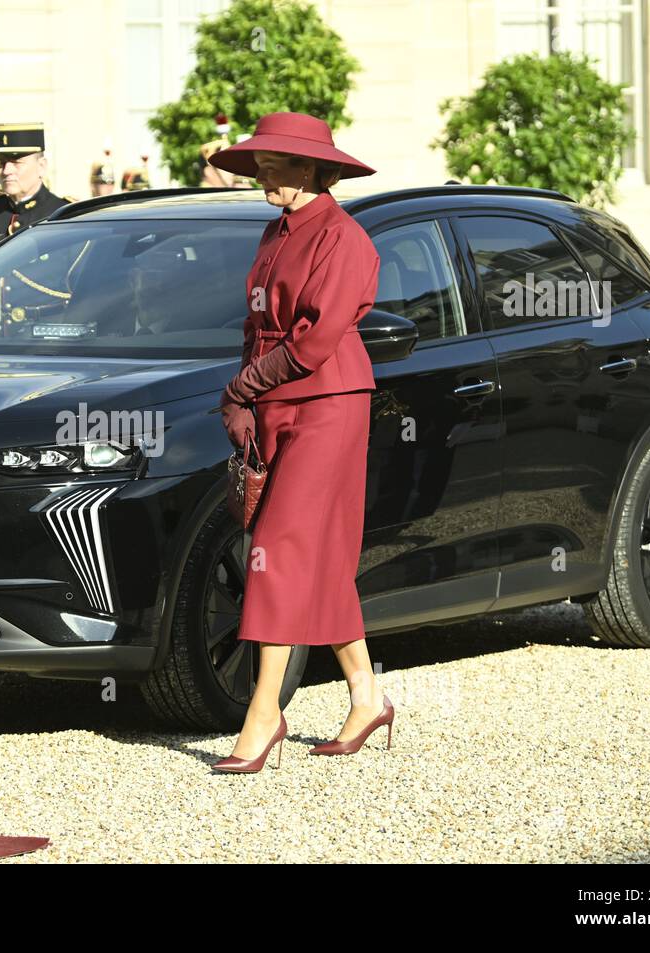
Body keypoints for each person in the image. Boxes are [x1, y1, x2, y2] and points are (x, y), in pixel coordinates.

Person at [204, 112, 391, 773]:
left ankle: (264, 711)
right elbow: (257, 327)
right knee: (319, 560)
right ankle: (367, 695)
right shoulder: (273, 231)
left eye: (276, 163)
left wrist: (244, 386)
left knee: (276, 550)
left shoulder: (346, 240)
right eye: (258, 163)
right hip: (278, 400)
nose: (262, 174)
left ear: (314, 169)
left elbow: (314, 341)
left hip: (329, 405)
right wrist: (246, 398)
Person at [0, 123, 71, 261]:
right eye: (1, 163)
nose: (6, 171)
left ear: (41, 166)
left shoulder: (63, 215)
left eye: (16, 162)